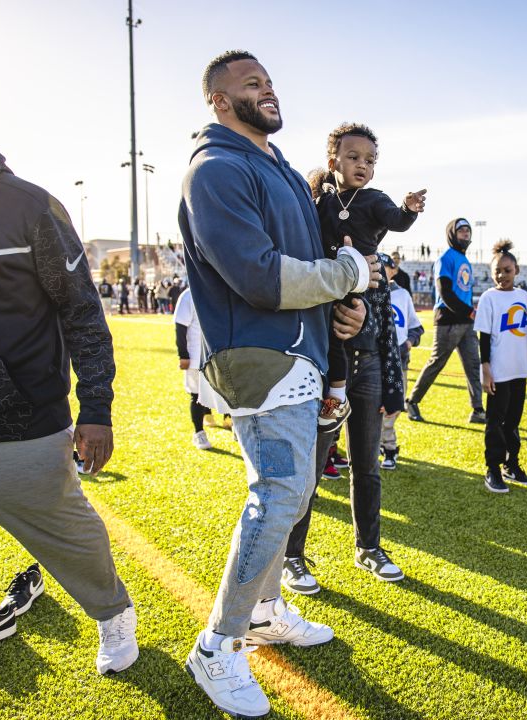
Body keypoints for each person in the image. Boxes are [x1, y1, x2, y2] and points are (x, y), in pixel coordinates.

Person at [177, 50, 379, 719]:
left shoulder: (278, 167)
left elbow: (309, 266)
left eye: (268, 80)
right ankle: (216, 645)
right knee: (281, 494)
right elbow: (262, 277)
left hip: (300, 352)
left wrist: (340, 312)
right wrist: (347, 277)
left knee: (290, 500)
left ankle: (263, 611)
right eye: (249, 83)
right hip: (259, 358)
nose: (266, 89)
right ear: (218, 100)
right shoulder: (216, 168)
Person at [0, 110, 137, 672]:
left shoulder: (25, 203)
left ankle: (113, 615)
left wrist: (96, 408)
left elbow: (80, 309)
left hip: (18, 427)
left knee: (74, 541)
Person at [310, 122, 426, 430]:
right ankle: (333, 395)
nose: (362, 164)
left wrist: (408, 208)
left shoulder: (374, 199)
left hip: (361, 285)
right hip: (324, 283)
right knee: (325, 335)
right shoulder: (321, 202)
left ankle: (336, 395)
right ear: (333, 162)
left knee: (339, 332)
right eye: (353, 157)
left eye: (369, 160)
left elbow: (397, 220)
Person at [474, 241, 527, 493]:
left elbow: (524, 334)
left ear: (517, 270)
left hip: (519, 371)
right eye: (498, 271)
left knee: (513, 421)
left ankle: (511, 465)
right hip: (499, 372)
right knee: (496, 421)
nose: (502, 275)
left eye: (507, 270)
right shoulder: (489, 298)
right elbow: (485, 338)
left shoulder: (523, 296)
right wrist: (486, 370)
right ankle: (493, 467)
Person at [405, 218, 485, 424]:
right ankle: (412, 401)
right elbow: (445, 292)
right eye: (461, 231)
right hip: (449, 321)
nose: (466, 234)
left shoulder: (464, 260)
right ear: (452, 234)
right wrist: (468, 311)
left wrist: (469, 313)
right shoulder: (445, 258)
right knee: (437, 363)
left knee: (473, 365)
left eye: (468, 230)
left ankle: (477, 410)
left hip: (466, 322)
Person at [174, 287, 233, 450]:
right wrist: (183, 355)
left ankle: (230, 421)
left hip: (219, 355)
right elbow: (180, 327)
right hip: (196, 356)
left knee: (227, 390)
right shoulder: (188, 295)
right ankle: (199, 433)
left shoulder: (218, 291)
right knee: (196, 395)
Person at [381, 256, 424, 469]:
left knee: (393, 406)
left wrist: (407, 344)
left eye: (386, 267)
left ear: (394, 270)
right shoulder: (368, 292)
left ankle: (389, 448)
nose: (382, 270)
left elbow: (416, 328)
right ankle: (382, 446)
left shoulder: (402, 295)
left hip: (399, 363)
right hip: (374, 361)